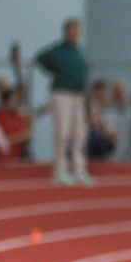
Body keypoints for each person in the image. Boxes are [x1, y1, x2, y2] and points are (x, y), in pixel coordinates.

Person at [35, 18, 90, 186]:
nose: (76, 34)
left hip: (77, 95)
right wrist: (56, 72)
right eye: (73, 31)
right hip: (61, 94)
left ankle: (79, 170)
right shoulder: (58, 51)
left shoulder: (78, 52)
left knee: (79, 133)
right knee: (62, 132)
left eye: (78, 31)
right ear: (66, 32)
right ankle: (60, 170)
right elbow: (41, 58)